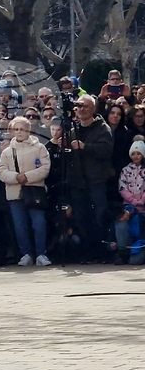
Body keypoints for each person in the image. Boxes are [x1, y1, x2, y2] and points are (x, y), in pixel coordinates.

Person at [0, 117, 51, 266]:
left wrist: (27, 177)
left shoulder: (40, 148)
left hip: (34, 191)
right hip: (15, 193)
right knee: (19, 225)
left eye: (22, 129)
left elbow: (45, 168)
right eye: (16, 129)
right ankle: (25, 253)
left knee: (39, 223)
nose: (19, 132)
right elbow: (1, 172)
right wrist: (16, 177)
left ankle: (41, 253)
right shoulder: (7, 151)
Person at [68, 95, 114, 261]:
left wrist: (85, 147)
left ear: (93, 109)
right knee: (81, 217)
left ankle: (102, 252)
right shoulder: (73, 130)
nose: (81, 109)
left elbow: (106, 150)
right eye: (78, 106)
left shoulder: (103, 128)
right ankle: (86, 252)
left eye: (85, 106)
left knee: (99, 217)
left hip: (96, 180)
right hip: (78, 181)